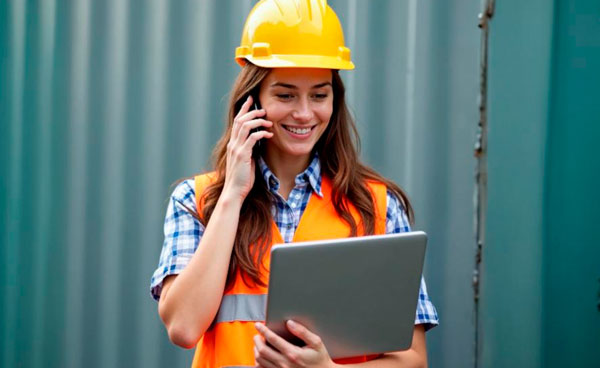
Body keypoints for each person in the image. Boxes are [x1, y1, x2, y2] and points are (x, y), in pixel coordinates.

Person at [150, 1, 439, 367]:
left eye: (319, 95)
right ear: (252, 101)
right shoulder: (197, 200)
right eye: (285, 95)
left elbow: (413, 360)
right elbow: (183, 327)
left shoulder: (378, 207)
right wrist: (232, 197)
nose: (304, 113)